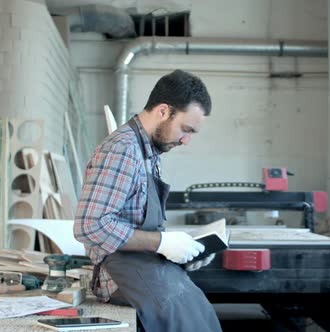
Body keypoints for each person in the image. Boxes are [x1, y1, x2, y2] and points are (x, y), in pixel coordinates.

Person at [74, 69, 222, 332]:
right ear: (163, 111)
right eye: (186, 129)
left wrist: (180, 252)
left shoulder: (148, 152)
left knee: (199, 309)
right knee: (185, 318)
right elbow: (90, 226)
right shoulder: (122, 149)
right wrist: (162, 242)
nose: (186, 141)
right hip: (121, 276)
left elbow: (134, 220)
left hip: (145, 265)